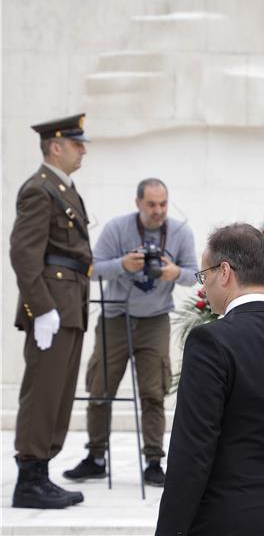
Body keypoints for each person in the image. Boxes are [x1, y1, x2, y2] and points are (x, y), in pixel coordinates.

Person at [155, 223, 264, 535]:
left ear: (224, 272)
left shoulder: (209, 342)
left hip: (227, 519)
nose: (204, 286)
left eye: (204, 276)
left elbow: (193, 450)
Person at [63, 179, 197, 486]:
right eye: (151, 204)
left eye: (163, 204)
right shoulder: (117, 228)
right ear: (137, 203)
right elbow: (92, 269)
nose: (158, 211)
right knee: (100, 389)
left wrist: (174, 272)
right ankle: (96, 457)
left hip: (155, 320)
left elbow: (194, 275)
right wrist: (123, 264)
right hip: (115, 317)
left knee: (153, 393)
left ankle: (153, 461)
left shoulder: (180, 232)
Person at [10, 114, 92, 509]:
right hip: (53, 305)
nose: (83, 150)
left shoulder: (65, 190)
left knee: (58, 394)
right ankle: (28, 479)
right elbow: (24, 254)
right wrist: (40, 308)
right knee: (43, 393)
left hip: (69, 302)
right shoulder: (39, 190)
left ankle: (41, 473)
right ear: (55, 146)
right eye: (77, 144)